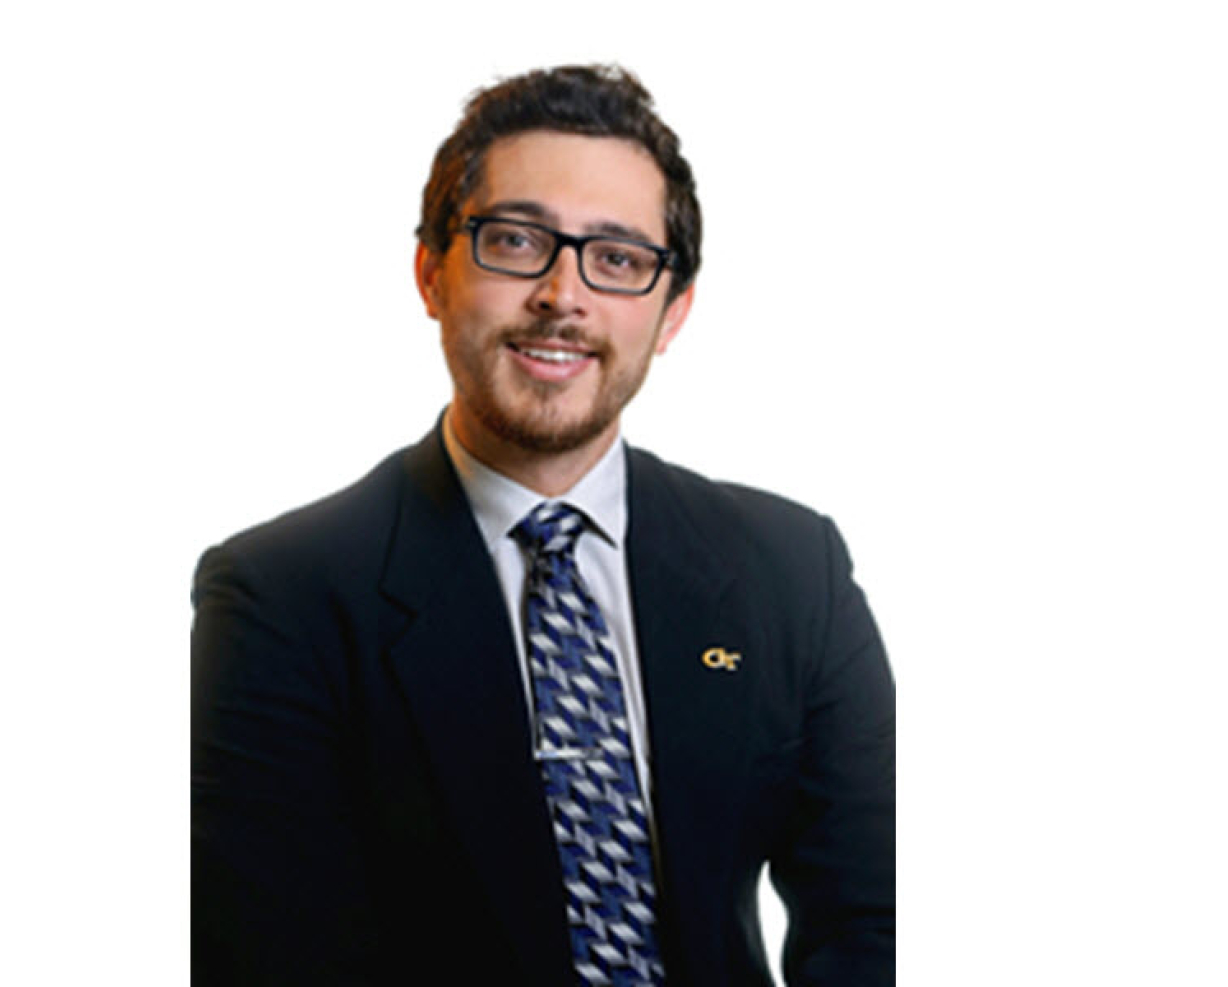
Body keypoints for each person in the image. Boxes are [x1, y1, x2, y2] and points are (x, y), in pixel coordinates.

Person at [191, 64, 894, 987]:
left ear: (672, 309)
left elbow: (877, 914)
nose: (564, 294)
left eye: (617, 258)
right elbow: (271, 957)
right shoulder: (280, 596)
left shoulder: (791, 569)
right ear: (431, 272)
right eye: (517, 240)